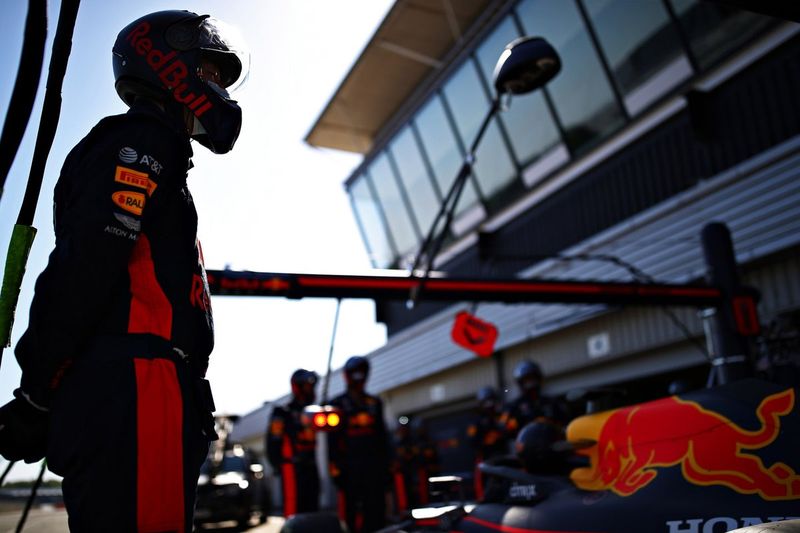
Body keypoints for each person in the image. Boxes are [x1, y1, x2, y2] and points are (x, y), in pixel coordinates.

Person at [0, 10, 248, 532]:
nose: (218, 90)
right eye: (209, 72)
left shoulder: (158, 155)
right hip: (138, 391)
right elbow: (85, 268)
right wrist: (36, 392)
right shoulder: (136, 143)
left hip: (145, 392)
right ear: (169, 63)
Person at [328, 356, 391, 533]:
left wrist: (387, 468)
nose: (359, 377)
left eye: (361, 373)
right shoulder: (337, 405)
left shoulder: (375, 403)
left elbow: (382, 437)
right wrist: (336, 471)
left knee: (376, 513)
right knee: (350, 516)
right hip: (349, 470)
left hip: (374, 468)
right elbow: (332, 443)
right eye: (355, 373)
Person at [266, 369, 321, 516]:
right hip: (292, 469)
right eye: (307, 385)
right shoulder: (282, 413)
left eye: (312, 386)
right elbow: (273, 443)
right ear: (298, 387)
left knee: (312, 511)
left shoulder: (314, 413)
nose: (311, 389)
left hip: (311, 468)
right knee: (294, 513)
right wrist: (279, 465)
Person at [500, 360, 569, 440]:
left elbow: (565, 425)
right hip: (526, 448)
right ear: (520, 383)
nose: (530, 383)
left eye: (532, 379)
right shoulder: (513, 407)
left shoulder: (552, 402)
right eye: (526, 380)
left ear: (538, 379)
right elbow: (504, 428)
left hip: (552, 445)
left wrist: (549, 424)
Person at [466, 386, 508, 499]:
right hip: (485, 459)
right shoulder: (476, 421)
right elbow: (471, 441)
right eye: (486, 402)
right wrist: (486, 441)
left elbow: (510, 433)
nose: (489, 405)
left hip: (502, 457)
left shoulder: (501, 417)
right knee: (485, 488)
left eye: (491, 401)